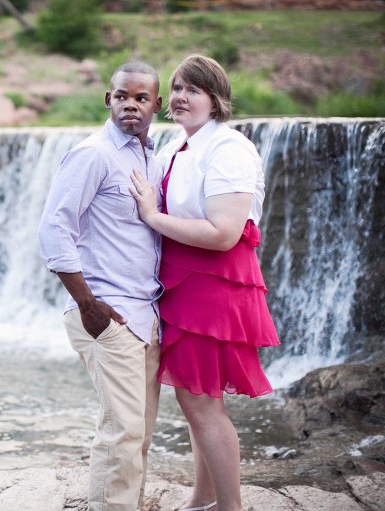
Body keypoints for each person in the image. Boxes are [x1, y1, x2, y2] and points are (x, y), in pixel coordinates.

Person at [129, 54, 281, 511]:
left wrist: (152, 217)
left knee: (201, 403)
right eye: (175, 89)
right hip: (185, 285)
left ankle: (230, 507)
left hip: (212, 286)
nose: (179, 97)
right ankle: (203, 499)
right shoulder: (182, 145)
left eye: (193, 89)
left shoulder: (229, 148)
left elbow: (223, 234)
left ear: (216, 100)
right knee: (196, 399)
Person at [38, 61, 164, 511]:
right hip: (108, 313)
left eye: (141, 97)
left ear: (156, 105)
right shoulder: (93, 153)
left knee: (140, 432)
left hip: (146, 316)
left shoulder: (149, 155)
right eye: (122, 96)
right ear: (107, 99)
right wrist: (88, 305)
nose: (131, 104)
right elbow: (55, 229)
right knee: (123, 431)